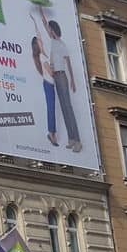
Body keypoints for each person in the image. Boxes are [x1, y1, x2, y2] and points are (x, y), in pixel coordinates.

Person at [40, 9, 82, 152]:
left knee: (68, 107)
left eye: (51, 29)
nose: (49, 31)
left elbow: (68, 63)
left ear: (55, 30)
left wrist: (72, 80)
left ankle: (77, 140)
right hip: (54, 76)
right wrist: (41, 10)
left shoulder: (61, 44)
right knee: (63, 108)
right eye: (49, 29)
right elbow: (44, 23)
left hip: (62, 76)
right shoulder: (51, 41)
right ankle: (71, 139)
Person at [30, 18, 58, 146]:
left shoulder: (44, 54)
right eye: (39, 42)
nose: (41, 42)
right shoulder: (42, 56)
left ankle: (52, 133)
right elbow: (51, 73)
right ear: (38, 45)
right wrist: (55, 67)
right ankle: (51, 133)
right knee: (51, 108)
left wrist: (35, 21)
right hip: (48, 84)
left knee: (52, 108)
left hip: (49, 84)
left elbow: (40, 34)